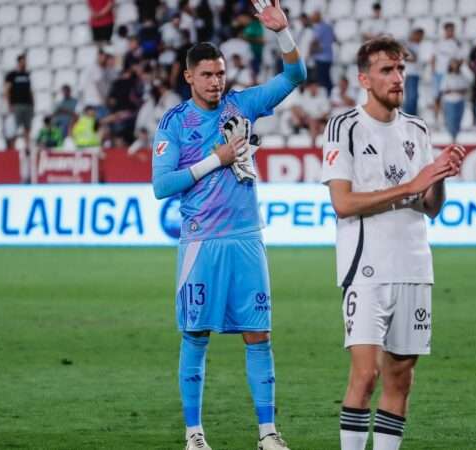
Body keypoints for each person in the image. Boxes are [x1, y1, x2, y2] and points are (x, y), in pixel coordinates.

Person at [151, 0, 306, 448]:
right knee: (195, 334)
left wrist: (283, 34)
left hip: (246, 239)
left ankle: (268, 433)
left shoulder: (243, 104)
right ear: (189, 77)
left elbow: (295, 77)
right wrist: (213, 161)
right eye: (207, 75)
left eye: (220, 73)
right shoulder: (175, 123)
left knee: (259, 334)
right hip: (202, 242)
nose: (216, 81)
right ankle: (194, 433)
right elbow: (162, 187)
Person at [320, 36, 463, 450]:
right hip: (366, 268)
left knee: (401, 377)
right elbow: (342, 203)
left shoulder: (416, 129)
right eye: (387, 70)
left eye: (400, 69)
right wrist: (411, 186)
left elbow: (430, 206)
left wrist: (439, 178)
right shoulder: (344, 127)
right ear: (365, 79)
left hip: (415, 266)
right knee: (366, 376)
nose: (398, 78)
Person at [431, 22, 465, 121]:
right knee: (437, 96)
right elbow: (433, 57)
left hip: (450, 74)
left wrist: (455, 70)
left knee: (448, 97)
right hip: (439, 73)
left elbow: (461, 58)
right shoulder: (439, 43)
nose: (450, 32)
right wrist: (433, 72)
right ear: (445, 30)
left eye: (452, 30)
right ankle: (436, 119)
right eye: (448, 30)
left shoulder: (457, 44)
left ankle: (447, 119)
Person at [4, 54, 34, 150]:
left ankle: (27, 146)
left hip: (27, 104)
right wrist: (9, 104)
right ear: (18, 62)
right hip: (17, 104)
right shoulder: (12, 75)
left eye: (25, 61)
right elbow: (7, 90)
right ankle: (12, 147)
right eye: (22, 61)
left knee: (27, 127)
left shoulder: (27, 75)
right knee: (14, 128)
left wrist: (33, 103)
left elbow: (30, 90)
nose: (24, 63)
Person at [288, 80, 330, 145]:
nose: (313, 89)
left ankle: (313, 144)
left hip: (320, 120)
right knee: (294, 108)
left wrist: (315, 118)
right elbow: (298, 108)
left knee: (314, 123)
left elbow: (326, 113)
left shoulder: (322, 97)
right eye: (312, 87)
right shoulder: (305, 97)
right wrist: (305, 115)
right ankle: (296, 129)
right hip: (307, 119)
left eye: (315, 87)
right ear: (309, 88)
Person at [440, 59, 468, 141]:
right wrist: (456, 90)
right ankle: (451, 138)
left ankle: (456, 138)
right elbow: (444, 90)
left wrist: (453, 90)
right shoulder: (447, 76)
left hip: (460, 101)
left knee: (458, 120)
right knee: (450, 121)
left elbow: (465, 90)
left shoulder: (462, 76)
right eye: (453, 64)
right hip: (449, 102)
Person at [310, 10, 335, 94]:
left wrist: (310, 51)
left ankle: (326, 97)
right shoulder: (328, 27)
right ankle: (329, 95)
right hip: (328, 57)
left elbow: (314, 41)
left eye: (313, 15)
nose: (312, 17)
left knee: (322, 80)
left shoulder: (319, 27)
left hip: (321, 57)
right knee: (326, 79)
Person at [402, 28, 424, 116]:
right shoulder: (408, 45)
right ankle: (409, 115)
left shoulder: (419, 46)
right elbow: (405, 57)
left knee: (413, 97)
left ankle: (411, 115)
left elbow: (414, 58)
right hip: (408, 74)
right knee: (410, 97)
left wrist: (407, 48)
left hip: (415, 74)